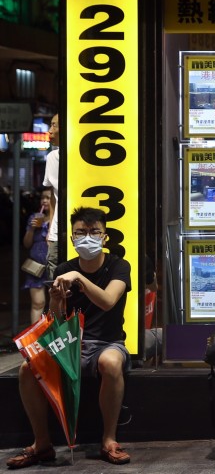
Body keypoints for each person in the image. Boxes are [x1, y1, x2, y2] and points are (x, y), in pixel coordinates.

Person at [7, 206, 133, 468]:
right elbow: (57, 320)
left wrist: (79, 279)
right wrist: (55, 301)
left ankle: (109, 440)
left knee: (110, 363)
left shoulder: (119, 266)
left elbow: (108, 301)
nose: (87, 237)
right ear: (72, 237)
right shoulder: (64, 268)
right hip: (70, 343)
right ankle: (41, 443)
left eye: (94, 232)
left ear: (105, 236)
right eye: (80, 232)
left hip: (108, 343)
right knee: (26, 368)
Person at [21, 188, 53, 324]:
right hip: (36, 265)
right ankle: (36, 340)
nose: (44, 200)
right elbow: (26, 244)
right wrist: (32, 229)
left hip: (54, 265)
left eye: (48, 197)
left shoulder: (59, 219)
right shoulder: (35, 217)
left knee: (55, 305)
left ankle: (53, 338)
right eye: (42, 198)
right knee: (38, 303)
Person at [42, 114, 60, 279]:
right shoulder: (52, 157)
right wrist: (51, 229)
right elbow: (54, 197)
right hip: (56, 233)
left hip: (82, 231)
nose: (50, 130)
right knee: (55, 283)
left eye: (55, 125)